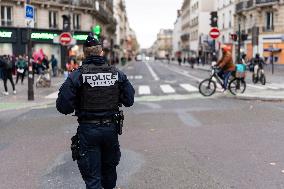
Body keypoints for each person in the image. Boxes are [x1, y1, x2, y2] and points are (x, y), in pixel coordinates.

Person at [56, 35, 135, 189]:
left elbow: (63, 107)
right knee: (109, 172)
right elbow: (129, 100)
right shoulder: (116, 74)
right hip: (110, 130)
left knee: (93, 179)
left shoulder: (77, 75)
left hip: (88, 130)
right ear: (101, 53)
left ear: (85, 54)